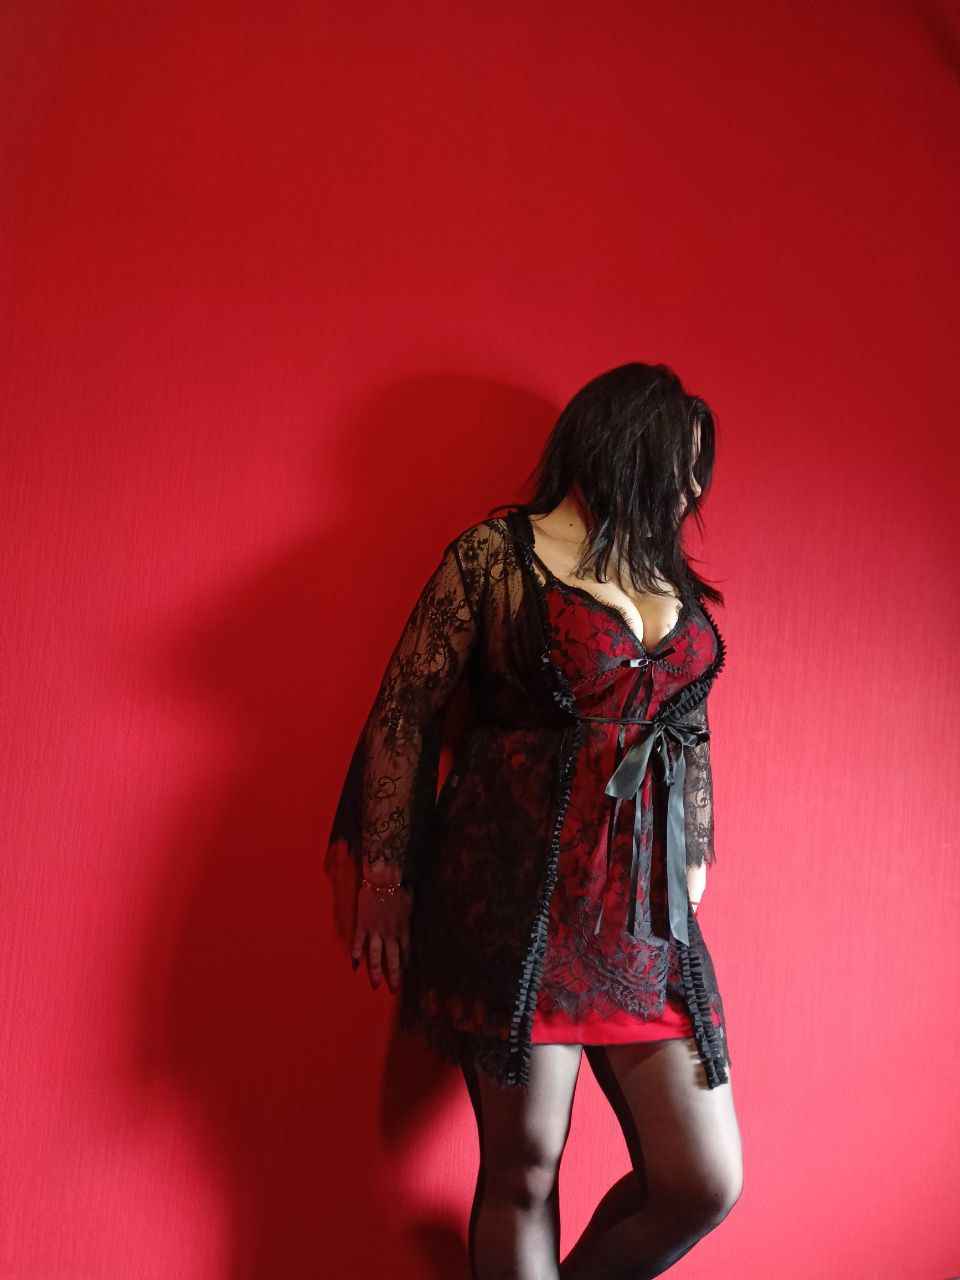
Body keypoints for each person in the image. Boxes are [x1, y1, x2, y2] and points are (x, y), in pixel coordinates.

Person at [325, 361, 743, 1278]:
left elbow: (688, 723)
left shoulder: (662, 572)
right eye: (679, 464)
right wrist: (386, 872)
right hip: (518, 898)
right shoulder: (497, 554)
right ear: (623, 443)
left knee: (703, 1179)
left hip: (646, 921)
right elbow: (405, 711)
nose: (691, 489)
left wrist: (697, 843)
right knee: (524, 1169)